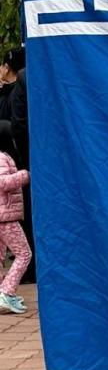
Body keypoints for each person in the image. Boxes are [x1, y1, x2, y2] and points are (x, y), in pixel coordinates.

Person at [0, 119, 31, 314]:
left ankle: (3, 294)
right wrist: (24, 175)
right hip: (6, 218)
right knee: (24, 254)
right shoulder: (2, 157)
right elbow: (3, 182)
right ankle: (6, 292)